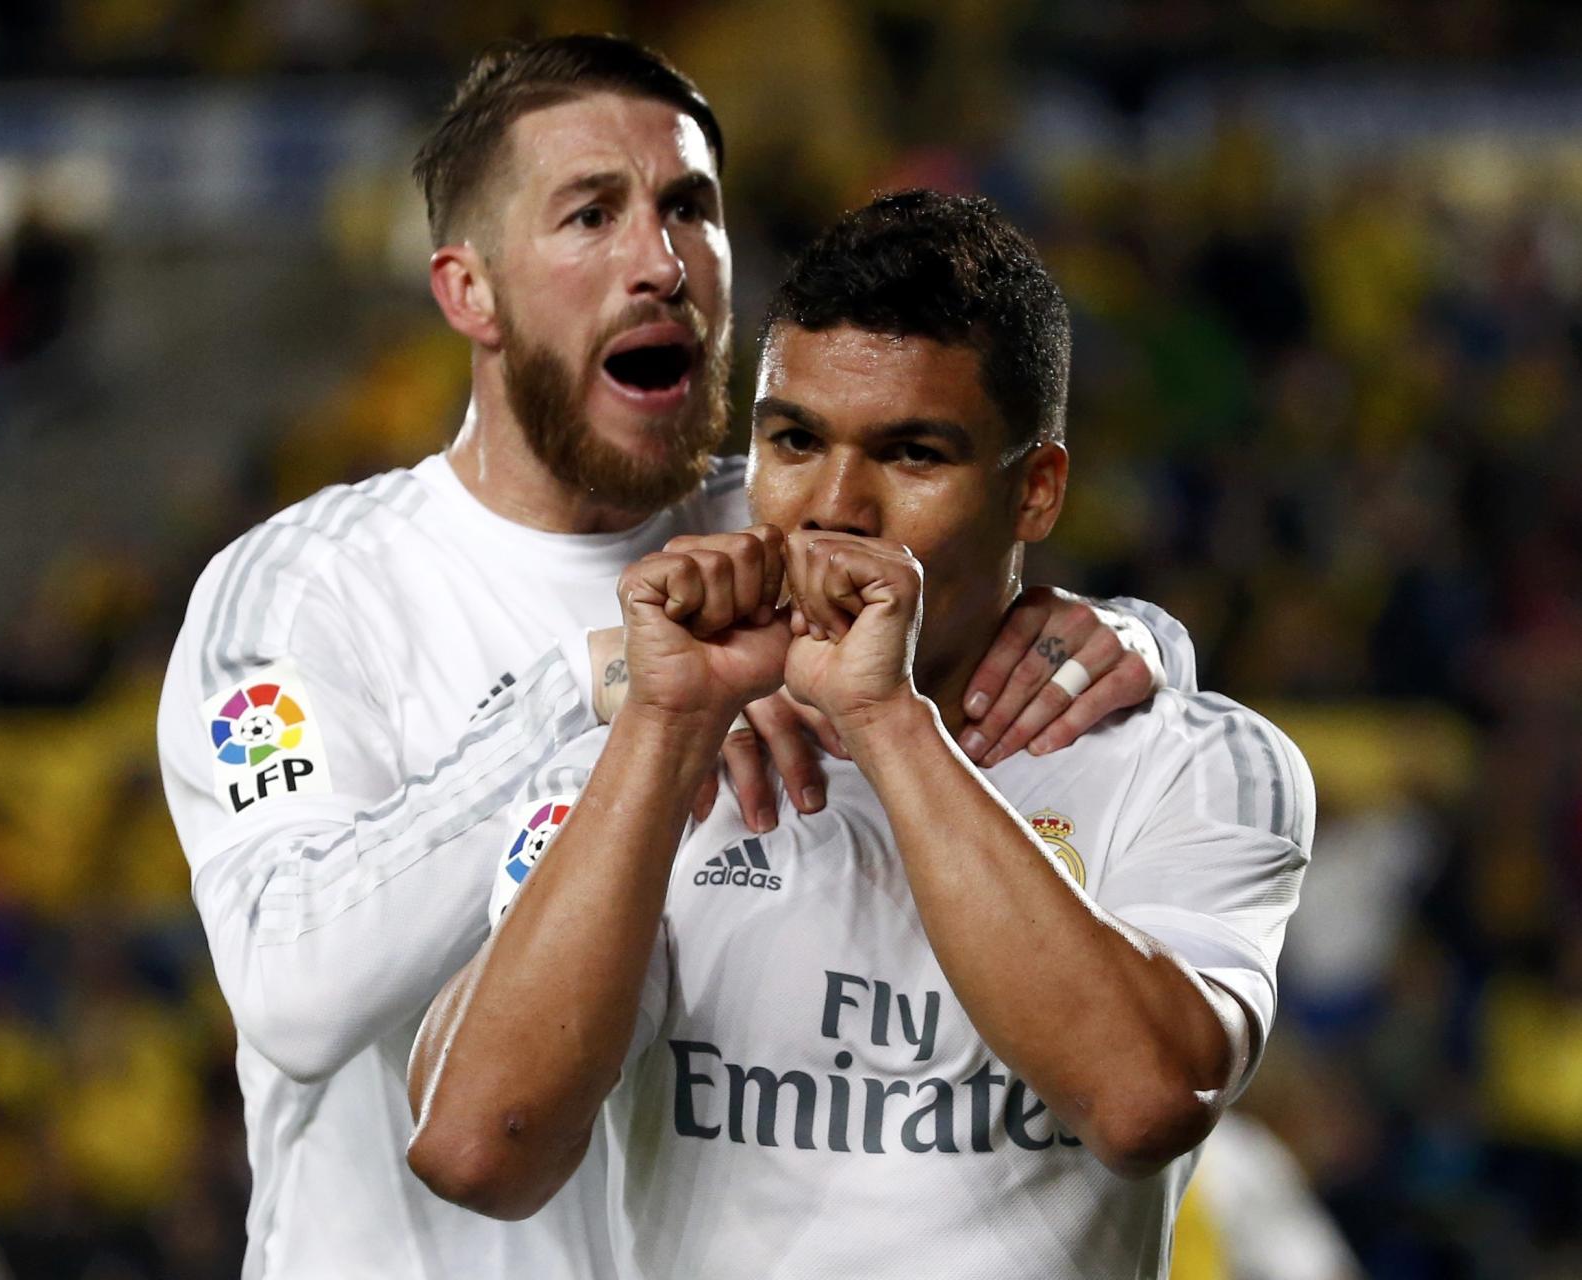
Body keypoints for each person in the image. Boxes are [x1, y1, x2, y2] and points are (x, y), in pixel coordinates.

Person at [158, 37, 1193, 1280]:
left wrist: (1133, 637)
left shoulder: (792, 518)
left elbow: (1016, 614)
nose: (660, 262)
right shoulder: (311, 591)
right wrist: (593, 692)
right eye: (590, 215)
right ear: (469, 291)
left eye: (689, 208)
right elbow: (292, 984)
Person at [406, 190, 1314, 1278]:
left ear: (1035, 492)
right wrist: (662, 727)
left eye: (912, 454)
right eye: (794, 441)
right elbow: (476, 1150)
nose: (835, 506)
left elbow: (1143, 1101)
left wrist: (884, 717)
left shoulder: (1195, 763)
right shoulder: (641, 760)